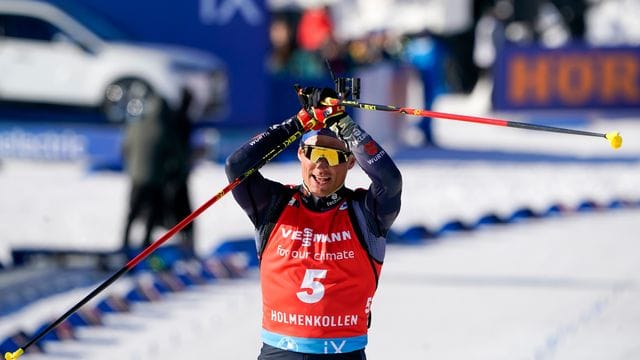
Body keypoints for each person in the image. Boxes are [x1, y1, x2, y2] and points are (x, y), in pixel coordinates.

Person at [225, 87, 402, 359]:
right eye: (312, 153)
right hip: (280, 352)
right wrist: (298, 123)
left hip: (344, 353)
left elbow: (389, 181)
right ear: (300, 154)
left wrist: (343, 124)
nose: (320, 166)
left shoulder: (365, 212)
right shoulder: (274, 203)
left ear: (350, 161)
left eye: (332, 157)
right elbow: (237, 166)